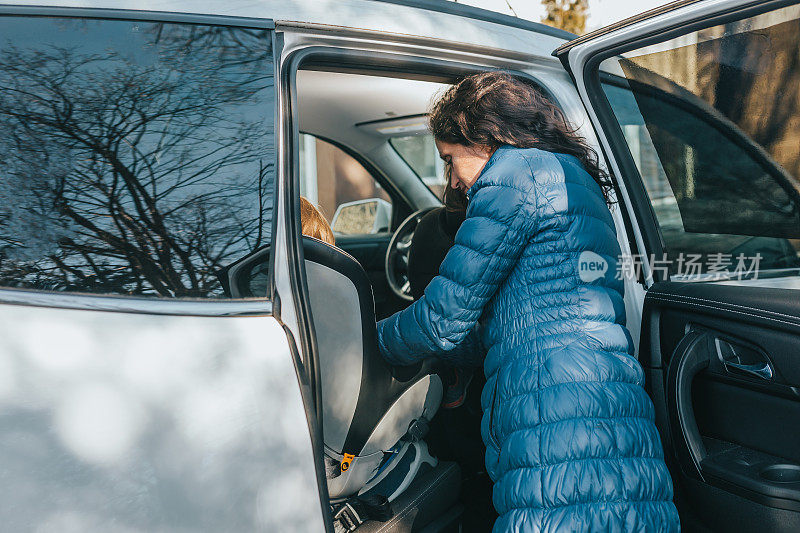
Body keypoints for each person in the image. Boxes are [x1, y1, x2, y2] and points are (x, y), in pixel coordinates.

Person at [376, 72, 679, 531]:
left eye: (450, 159)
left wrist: (366, 338)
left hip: (554, 407)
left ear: (482, 135)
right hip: (599, 393)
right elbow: (512, 323)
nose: (453, 181)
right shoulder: (567, 176)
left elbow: (441, 318)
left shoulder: (516, 176)